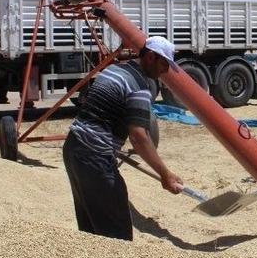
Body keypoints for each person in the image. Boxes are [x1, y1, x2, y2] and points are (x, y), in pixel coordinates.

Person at [62, 36, 183, 240]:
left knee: (91, 230)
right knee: (117, 235)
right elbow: (139, 137)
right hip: (94, 156)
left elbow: (102, 115)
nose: (166, 71)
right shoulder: (138, 87)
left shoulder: (114, 70)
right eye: (164, 64)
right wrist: (165, 174)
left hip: (74, 148)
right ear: (151, 57)